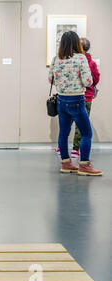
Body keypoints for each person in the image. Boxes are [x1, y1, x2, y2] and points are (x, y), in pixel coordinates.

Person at [48, 31, 102, 176]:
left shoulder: (56, 59)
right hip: (77, 100)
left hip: (61, 100)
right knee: (86, 133)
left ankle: (66, 163)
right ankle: (84, 165)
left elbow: (50, 79)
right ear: (76, 43)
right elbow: (88, 81)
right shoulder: (81, 58)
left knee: (64, 133)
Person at [71, 38, 100, 159]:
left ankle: (62, 147)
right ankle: (76, 149)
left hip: (73, 95)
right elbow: (96, 79)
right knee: (82, 124)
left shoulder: (73, 60)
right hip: (87, 97)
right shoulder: (91, 63)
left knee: (67, 121)